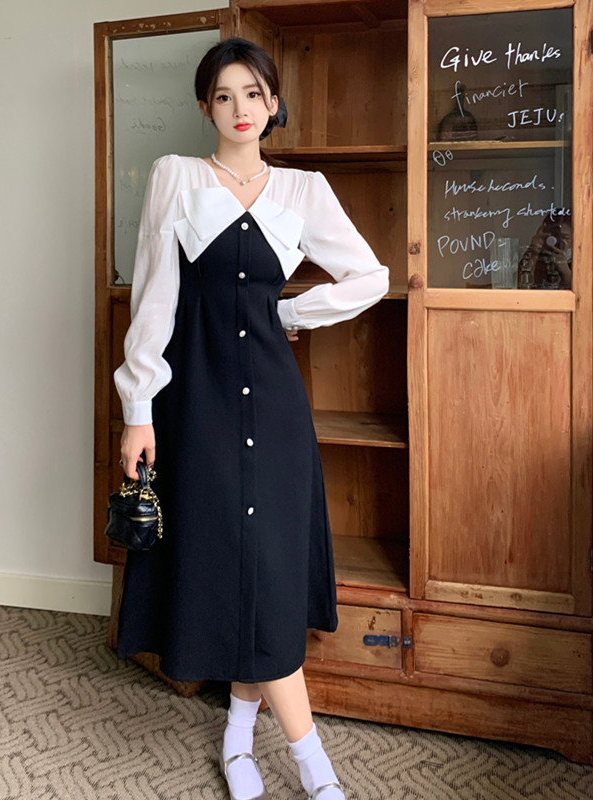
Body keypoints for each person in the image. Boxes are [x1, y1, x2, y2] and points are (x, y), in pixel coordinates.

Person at [113, 37, 389, 800]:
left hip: (275, 405)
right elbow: (154, 299)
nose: (241, 109)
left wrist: (292, 314)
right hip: (196, 401)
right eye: (224, 95)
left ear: (274, 103)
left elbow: (371, 276)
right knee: (233, 561)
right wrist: (138, 410)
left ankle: (250, 741)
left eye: (254, 94)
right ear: (206, 107)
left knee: (265, 569)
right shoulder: (175, 177)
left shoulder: (303, 190)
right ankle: (306, 762)